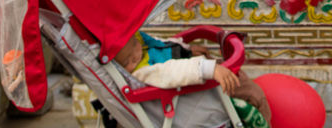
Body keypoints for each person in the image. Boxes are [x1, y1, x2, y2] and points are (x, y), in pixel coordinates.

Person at [115, 32, 269, 128]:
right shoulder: (143, 72)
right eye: (127, 61)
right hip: (195, 94)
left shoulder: (139, 42)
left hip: (194, 74)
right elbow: (172, 71)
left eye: (135, 44)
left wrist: (185, 49)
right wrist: (209, 69)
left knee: (234, 72)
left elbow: (160, 43)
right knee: (254, 93)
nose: (136, 55)